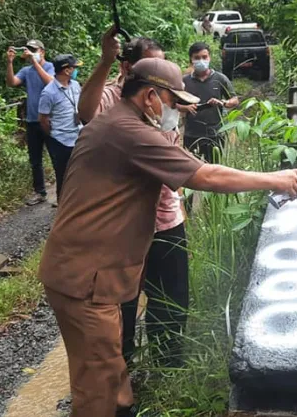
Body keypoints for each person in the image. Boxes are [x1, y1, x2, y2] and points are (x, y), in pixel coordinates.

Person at [39, 57, 297, 417]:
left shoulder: (114, 122)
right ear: (150, 96)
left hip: (84, 271)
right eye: (172, 101)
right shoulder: (129, 132)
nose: (176, 109)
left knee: (111, 365)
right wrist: (275, 179)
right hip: (85, 277)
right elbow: (205, 177)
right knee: (96, 383)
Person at [77, 28, 187, 368]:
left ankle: (169, 365)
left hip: (166, 218)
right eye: (152, 69)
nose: (161, 80)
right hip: (123, 227)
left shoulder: (168, 100)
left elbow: (175, 144)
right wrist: (105, 60)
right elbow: (85, 112)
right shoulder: (112, 100)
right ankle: (121, 371)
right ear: (129, 71)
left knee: (172, 297)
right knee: (121, 299)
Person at [6, 39, 55, 206]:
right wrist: (10, 62)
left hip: (50, 120)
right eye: (29, 50)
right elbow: (12, 82)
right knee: (35, 159)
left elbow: (51, 83)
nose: (31, 52)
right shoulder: (26, 71)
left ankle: (63, 193)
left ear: (42, 52)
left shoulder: (50, 67)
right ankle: (39, 192)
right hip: (32, 121)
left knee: (57, 156)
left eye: (34, 50)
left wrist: (35, 62)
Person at [179, 41, 240, 162]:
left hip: (215, 134)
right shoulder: (184, 81)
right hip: (192, 134)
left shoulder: (220, 78)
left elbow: (235, 100)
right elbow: (172, 103)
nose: (201, 60)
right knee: (192, 169)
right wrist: (186, 108)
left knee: (214, 168)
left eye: (204, 57)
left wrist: (222, 103)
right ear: (191, 60)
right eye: (197, 58)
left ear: (209, 57)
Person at [38, 54, 83, 205]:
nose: (76, 70)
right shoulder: (48, 92)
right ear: (66, 70)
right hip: (60, 141)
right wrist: (53, 135)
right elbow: (43, 119)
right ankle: (63, 211)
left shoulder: (76, 85)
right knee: (63, 177)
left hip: (78, 137)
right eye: (74, 68)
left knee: (80, 175)